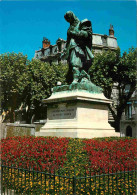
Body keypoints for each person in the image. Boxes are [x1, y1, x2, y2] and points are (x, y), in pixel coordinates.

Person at [64, 11, 94, 84]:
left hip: (78, 47)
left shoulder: (82, 23)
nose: (68, 21)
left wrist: (75, 33)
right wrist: (65, 50)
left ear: (72, 17)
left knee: (75, 63)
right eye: (67, 20)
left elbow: (86, 34)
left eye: (69, 19)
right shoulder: (69, 28)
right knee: (71, 66)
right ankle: (74, 79)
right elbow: (68, 40)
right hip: (70, 48)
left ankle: (76, 79)